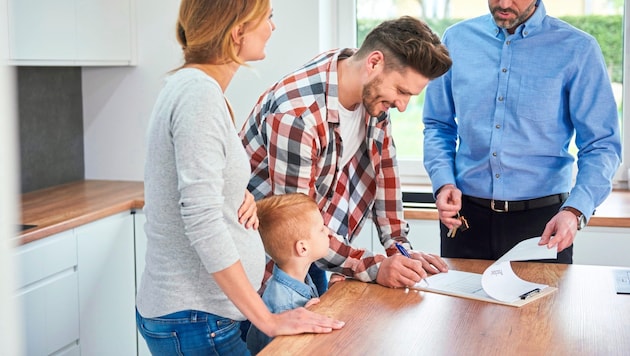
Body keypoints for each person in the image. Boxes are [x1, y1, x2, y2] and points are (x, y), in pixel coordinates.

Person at [136, 1, 344, 355]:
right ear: (237, 32)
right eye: (268, 18)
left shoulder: (198, 89)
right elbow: (200, 219)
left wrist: (238, 194)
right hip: (196, 318)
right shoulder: (198, 96)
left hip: (200, 315)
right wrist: (267, 318)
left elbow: (201, 187)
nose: (272, 28)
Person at [240, 16, 452, 292]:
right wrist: (373, 266)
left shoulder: (367, 90)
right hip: (266, 266)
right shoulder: (297, 115)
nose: (402, 105)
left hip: (314, 251)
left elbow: (384, 171)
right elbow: (295, 224)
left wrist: (399, 249)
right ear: (374, 62)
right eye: (401, 91)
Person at [422, 0, 622, 263]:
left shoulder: (577, 49)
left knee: (540, 307)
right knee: (462, 305)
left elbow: (602, 145)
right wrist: (444, 182)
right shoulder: (456, 40)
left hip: (543, 224)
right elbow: (438, 125)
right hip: (465, 219)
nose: (504, 4)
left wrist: (575, 211)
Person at [246, 193, 330, 354]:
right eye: (321, 229)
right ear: (302, 248)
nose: (327, 230)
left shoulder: (300, 278)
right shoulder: (284, 305)